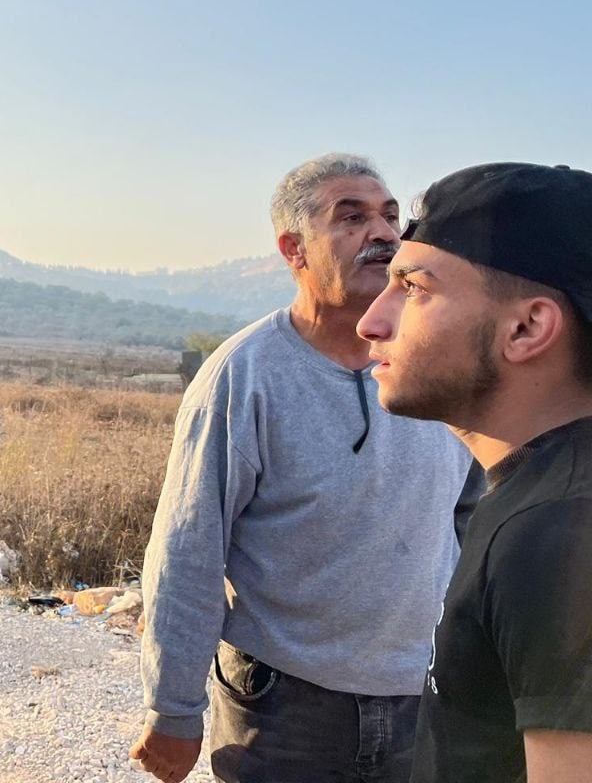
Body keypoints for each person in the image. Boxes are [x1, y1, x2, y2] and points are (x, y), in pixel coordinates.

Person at [131, 153, 479, 783]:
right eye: (352, 218)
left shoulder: (437, 369)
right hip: (283, 709)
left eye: (390, 217)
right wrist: (173, 710)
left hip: (423, 698)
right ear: (294, 249)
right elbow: (189, 551)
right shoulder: (246, 376)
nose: (382, 234)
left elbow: (472, 520)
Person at [358, 161, 592, 782]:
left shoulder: (561, 532)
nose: (371, 322)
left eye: (414, 288)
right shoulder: (539, 495)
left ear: (527, 327)